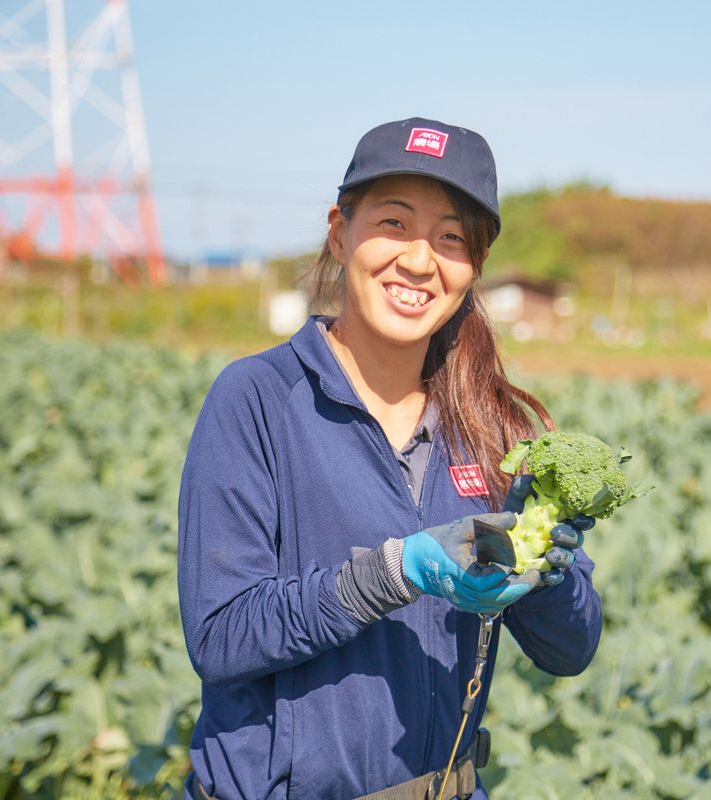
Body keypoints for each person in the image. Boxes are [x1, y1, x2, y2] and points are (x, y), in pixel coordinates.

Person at [177, 117, 603, 800]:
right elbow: (222, 634)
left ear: (475, 267)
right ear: (339, 232)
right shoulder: (255, 400)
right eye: (395, 224)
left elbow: (570, 651)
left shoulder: (492, 428)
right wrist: (393, 572)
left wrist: (549, 576)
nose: (418, 260)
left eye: (450, 237)